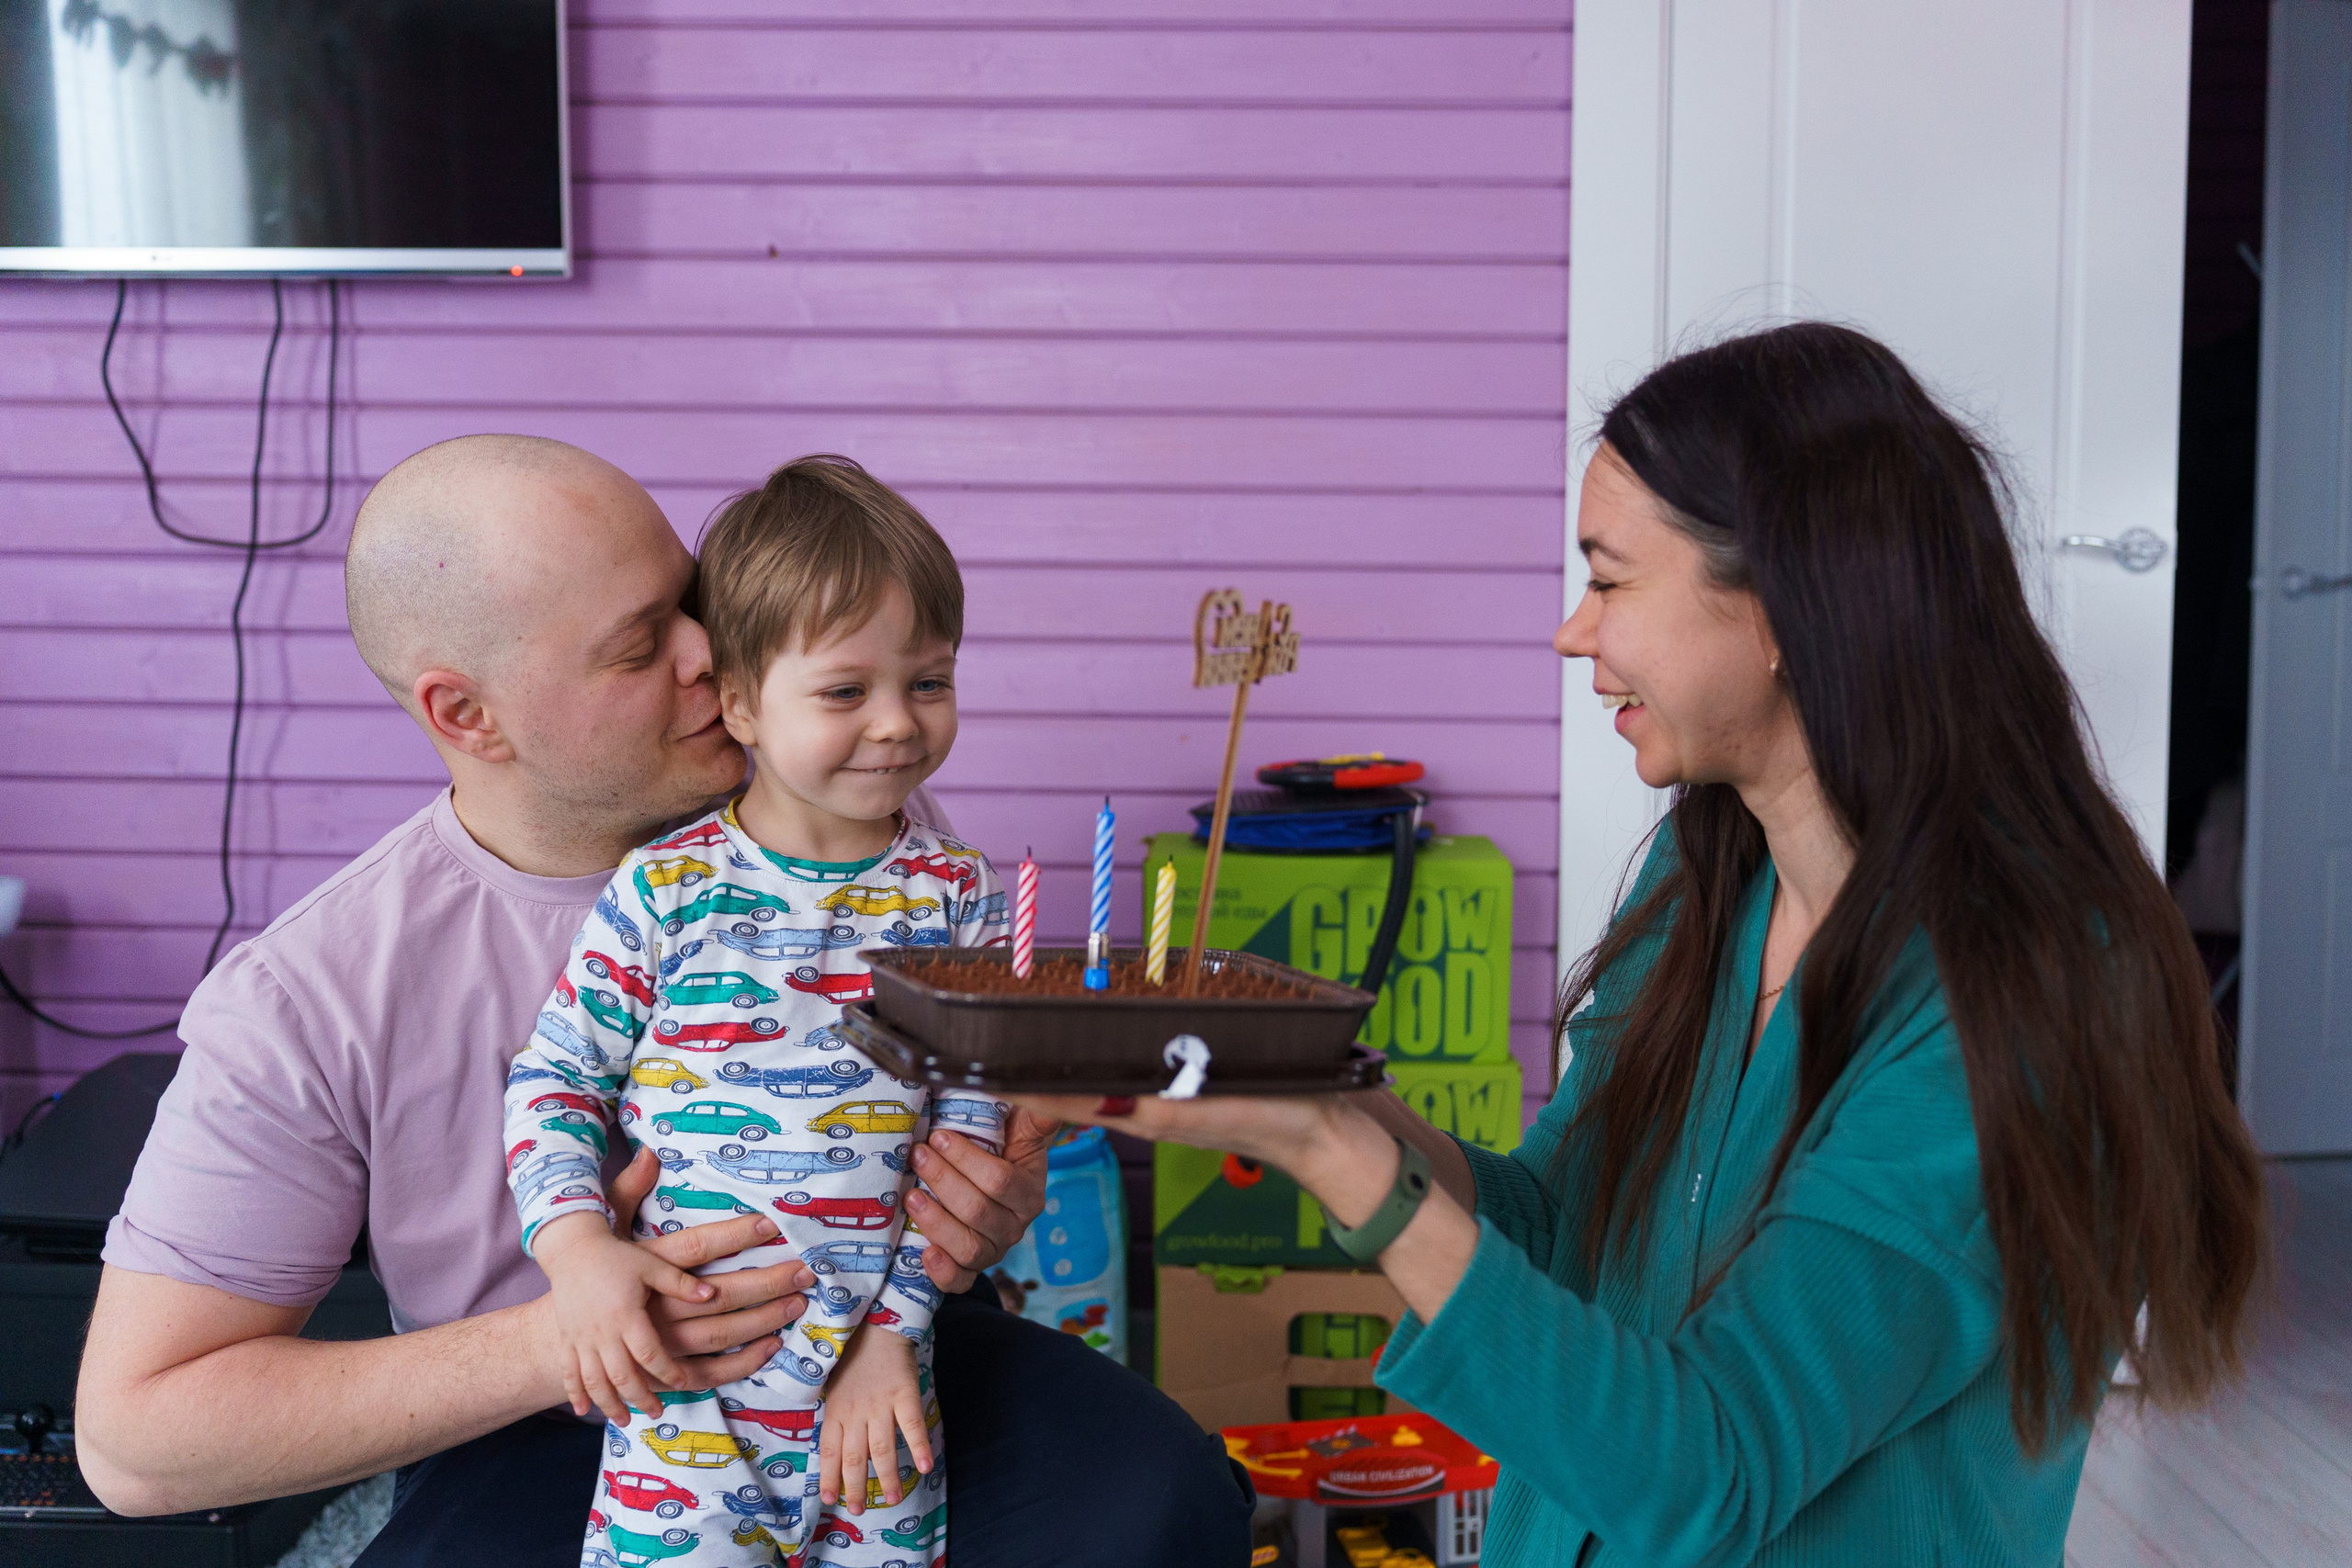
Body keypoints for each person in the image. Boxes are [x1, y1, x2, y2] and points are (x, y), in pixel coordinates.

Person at [1015, 323, 2270, 1567]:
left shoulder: (2024, 993)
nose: (1574, 630)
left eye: (1611, 578)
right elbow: (1566, 1229)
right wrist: (1327, 1100)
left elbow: (1709, 1466)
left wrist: (1341, 1159)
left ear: (1783, 601)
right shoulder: (1710, 873)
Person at [74, 434, 1254, 1567]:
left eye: (695, 604)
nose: (712, 656)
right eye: (644, 646)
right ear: (465, 714)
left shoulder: (858, 818)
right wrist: (570, 1329)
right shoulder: (309, 995)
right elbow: (138, 1444)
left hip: (875, 1351)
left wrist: (975, 1196)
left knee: (1158, 1496)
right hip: (540, 1422)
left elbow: (949, 1114)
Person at [511, 457, 1007, 1565]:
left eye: (929, 682)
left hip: (877, 1390)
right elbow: (553, 1080)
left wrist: (892, 1340)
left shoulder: (958, 898)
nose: (897, 724)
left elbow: (964, 1134)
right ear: (738, 699)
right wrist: (578, 1250)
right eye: (846, 690)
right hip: (683, 1392)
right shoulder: (664, 890)